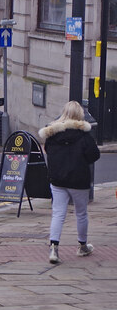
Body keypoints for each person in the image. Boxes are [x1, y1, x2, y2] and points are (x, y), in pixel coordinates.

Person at [40, 101, 100, 264]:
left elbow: (48, 151)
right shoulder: (84, 136)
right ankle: (82, 246)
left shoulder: (52, 134)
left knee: (58, 213)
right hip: (78, 180)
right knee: (81, 213)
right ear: (79, 115)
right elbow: (94, 156)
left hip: (57, 180)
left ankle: (53, 248)